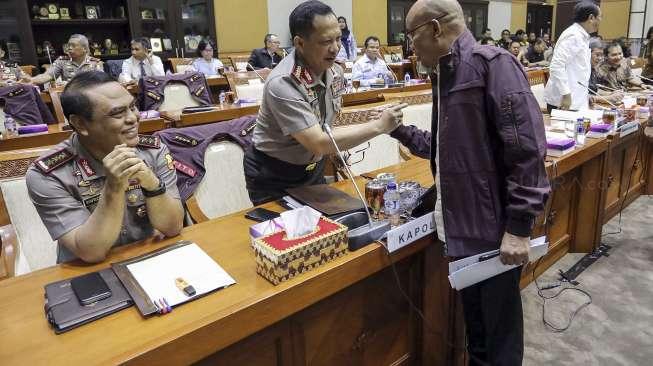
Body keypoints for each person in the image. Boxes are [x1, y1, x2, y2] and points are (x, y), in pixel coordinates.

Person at [394, 0, 550, 364]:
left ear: (434, 29)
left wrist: (519, 227)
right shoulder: (446, 74)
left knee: (499, 342)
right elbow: (446, 151)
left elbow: (526, 152)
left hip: (494, 234)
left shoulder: (491, 66)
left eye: (412, 35)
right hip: (464, 231)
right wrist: (398, 130)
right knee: (477, 336)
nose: (410, 46)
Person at [244, 1, 407, 205]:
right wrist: (379, 126)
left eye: (338, 38)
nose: (335, 48)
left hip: (312, 169)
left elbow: (327, 120)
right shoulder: (283, 82)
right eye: (325, 41)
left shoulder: (335, 71)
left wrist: (337, 150)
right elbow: (318, 142)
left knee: (329, 227)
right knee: (286, 234)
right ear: (300, 43)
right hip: (274, 174)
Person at [26, 71, 184, 263]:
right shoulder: (49, 174)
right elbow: (91, 252)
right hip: (89, 271)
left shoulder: (153, 151)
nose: (133, 118)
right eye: (117, 113)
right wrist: (113, 187)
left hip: (149, 256)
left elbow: (173, 227)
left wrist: (152, 184)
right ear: (80, 124)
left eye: (133, 107)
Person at [544, 1, 602, 112]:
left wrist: (585, 97)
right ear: (591, 18)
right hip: (564, 101)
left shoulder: (582, 35)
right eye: (599, 17)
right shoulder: (573, 35)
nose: (600, 20)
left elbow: (578, 71)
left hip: (575, 100)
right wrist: (566, 94)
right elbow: (556, 66)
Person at [28, 34, 103, 86]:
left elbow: (99, 83)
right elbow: (47, 75)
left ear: (84, 49)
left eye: (73, 46)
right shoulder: (62, 61)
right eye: (69, 45)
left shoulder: (95, 63)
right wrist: (32, 80)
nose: (69, 48)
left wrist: (70, 84)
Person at [588, 39, 623, 105]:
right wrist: (609, 98)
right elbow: (585, 96)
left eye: (601, 55)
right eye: (597, 55)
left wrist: (611, 93)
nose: (600, 58)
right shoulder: (583, 71)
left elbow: (593, 90)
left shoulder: (593, 69)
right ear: (587, 54)